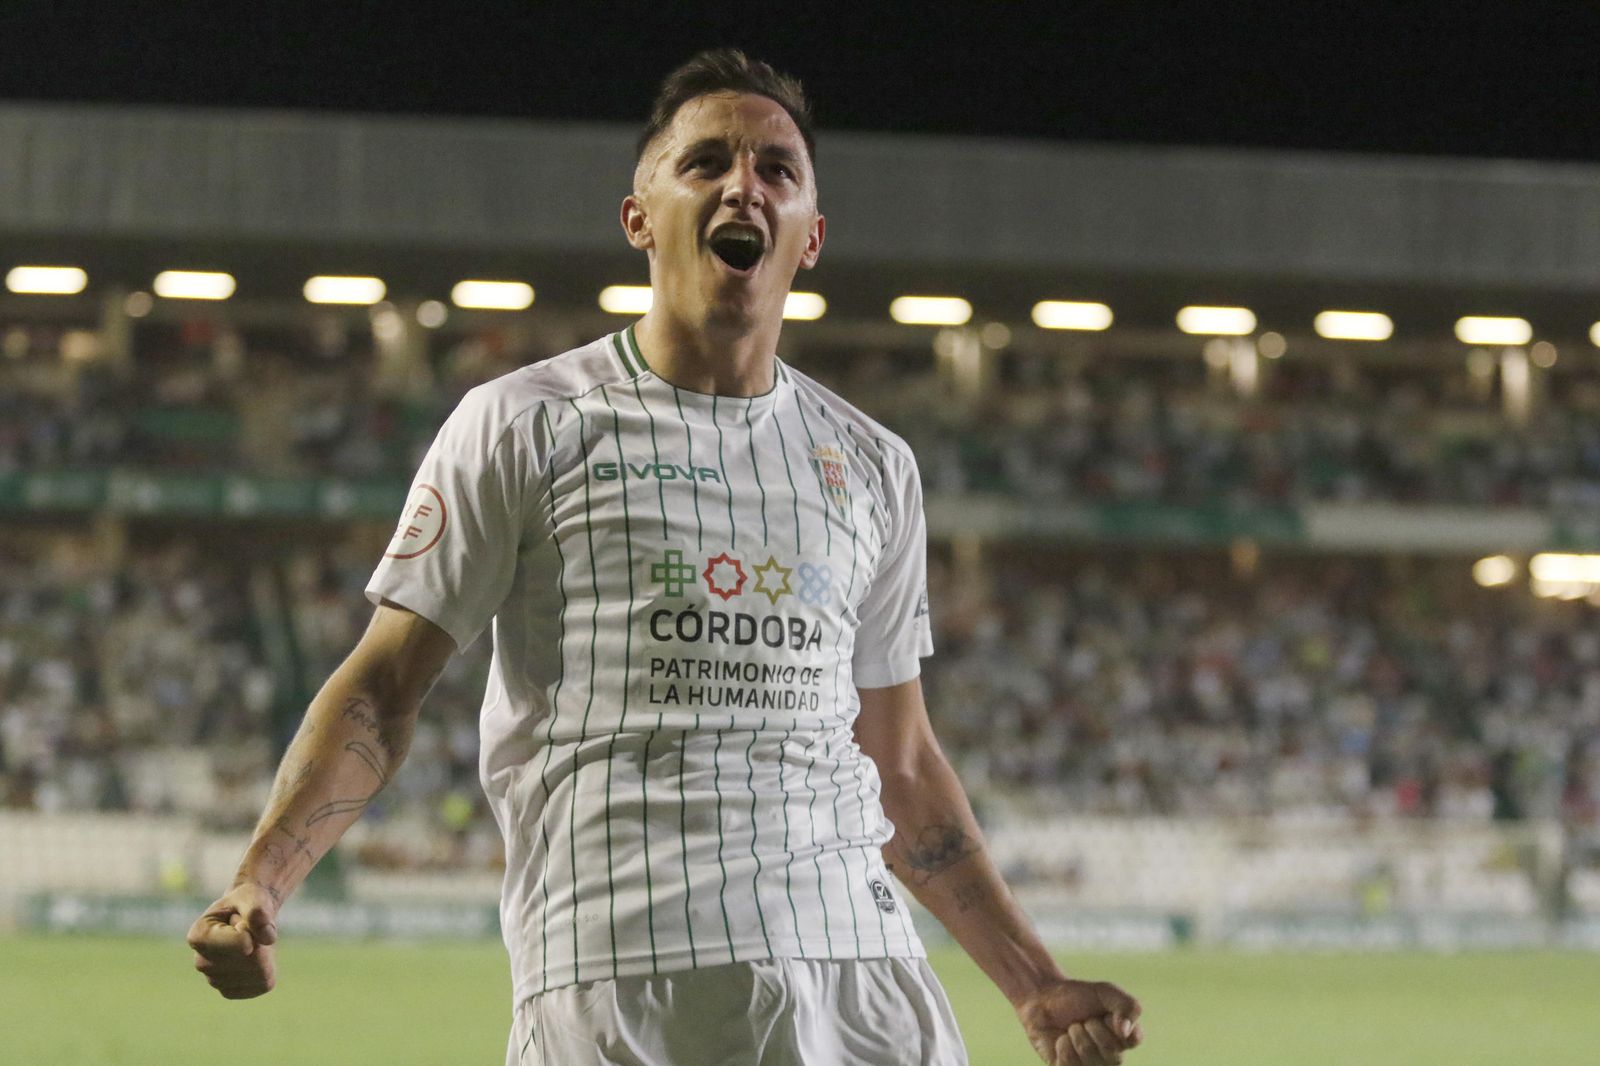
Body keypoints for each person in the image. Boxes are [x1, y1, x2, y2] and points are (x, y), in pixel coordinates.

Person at [187, 49, 1145, 1066]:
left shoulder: (872, 466)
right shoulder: (523, 425)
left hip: (863, 983)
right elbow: (384, 687)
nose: (744, 184)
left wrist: (1034, 983)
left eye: (777, 169)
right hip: (624, 982)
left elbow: (898, 762)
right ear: (638, 218)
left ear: (809, 238)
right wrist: (263, 880)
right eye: (706, 162)